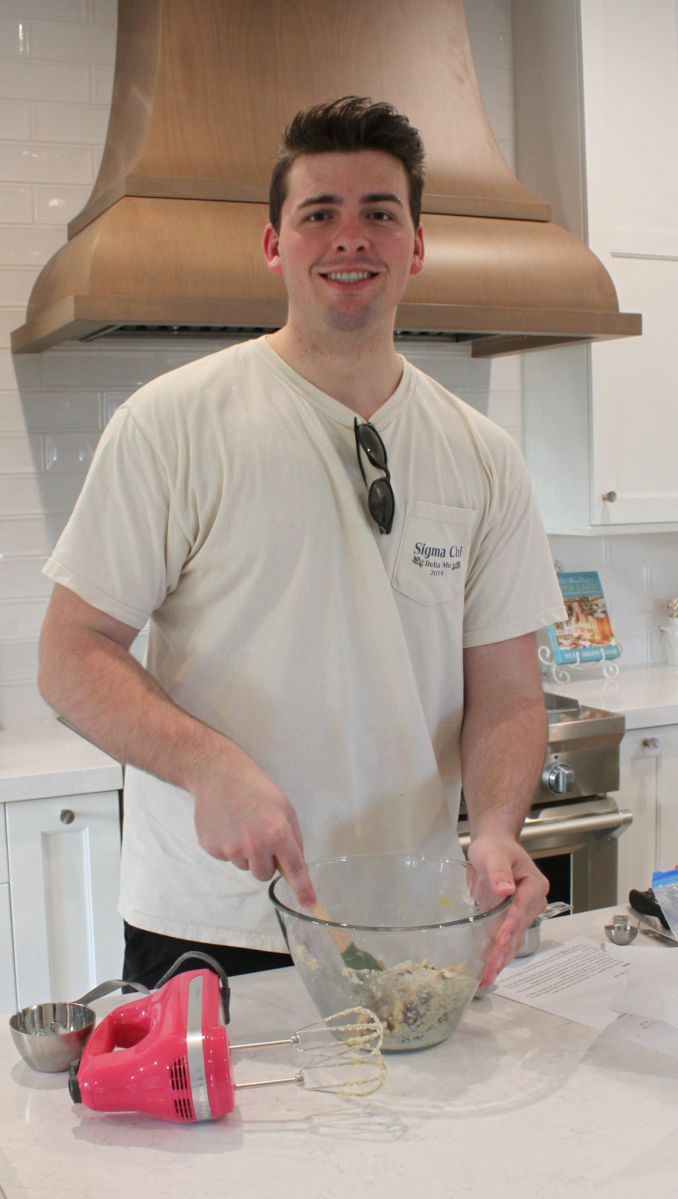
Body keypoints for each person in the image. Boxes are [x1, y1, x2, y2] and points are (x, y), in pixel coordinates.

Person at [38, 96, 567, 990]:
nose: (349, 238)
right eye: (319, 213)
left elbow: (509, 693)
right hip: (216, 924)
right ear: (275, 245)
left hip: (411, 921)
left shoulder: (484, 455)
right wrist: (208, 764)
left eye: (379, 214)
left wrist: (499, 829)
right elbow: (68, 654)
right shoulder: (173, 425)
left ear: (417, 244)